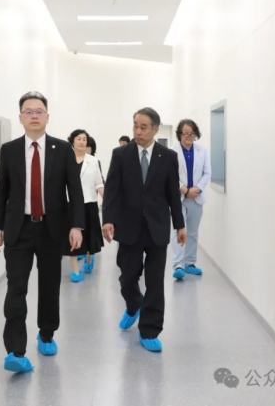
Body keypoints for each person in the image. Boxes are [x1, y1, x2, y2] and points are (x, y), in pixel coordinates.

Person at [0, 91, 85, 373]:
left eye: (39, 111)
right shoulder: (9, 150)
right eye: (28, 111)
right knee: (16, 287)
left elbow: (75, 191)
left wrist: (76, 225)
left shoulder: (62, 149)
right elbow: (1, 191)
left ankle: (46, 333)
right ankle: (15, 351)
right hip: (18, 229)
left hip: (51, 229)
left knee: (49, 285)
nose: (34, 115)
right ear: (20, 117)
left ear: (47, 117)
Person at [102, 107, 186, 352]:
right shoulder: (120, 154)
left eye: (143, 127)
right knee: (128, 277)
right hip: (128, 226)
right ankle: (133, 304)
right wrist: (108, 219)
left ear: (155, 129)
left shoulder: (168, 157)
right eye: (135, 126)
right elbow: (112, 191)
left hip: (157, 226)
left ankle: (150, 330)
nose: (137, 131)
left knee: (155, 281)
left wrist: (179, 225)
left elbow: (172, 194)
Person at [170, 119, 211, 279]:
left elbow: (207, 173)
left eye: (191, 133)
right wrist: (185, 190)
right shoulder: (172, 152)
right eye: (185, 133)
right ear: (180, 134)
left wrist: (197, 189)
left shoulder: (202, 151)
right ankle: (178, 264)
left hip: (196, 197)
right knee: (178, 231)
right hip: (179, 197)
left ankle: (189, 263)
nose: (188, 136)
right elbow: (171, 175)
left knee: (193, 232)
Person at [64, 129, 105, 282]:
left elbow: (99, 183)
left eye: (84, 139)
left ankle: (89, 258)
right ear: (72, 141)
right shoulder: (65, 159)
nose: (82, 142)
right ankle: (75, 270)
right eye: (78, 139)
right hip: (71, 204)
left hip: (89, 203)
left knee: (90, 236)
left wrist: (107, 200)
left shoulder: (93, 161)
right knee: (72, 238)